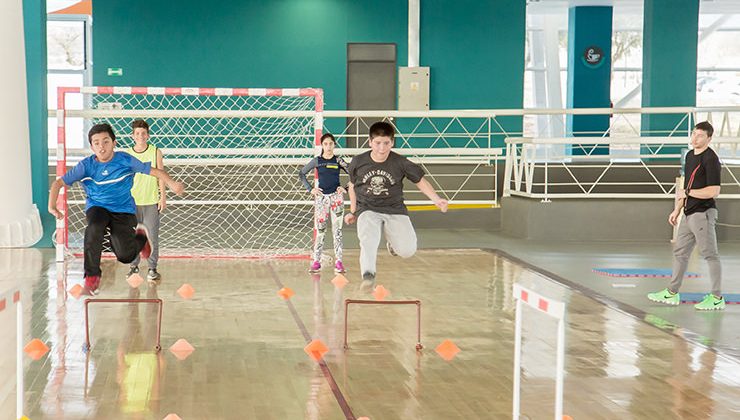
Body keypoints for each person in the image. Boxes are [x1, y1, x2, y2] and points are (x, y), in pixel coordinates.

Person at [48, 123, 185, 295]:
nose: (101, 146)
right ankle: (91, 279)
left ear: (114, 143)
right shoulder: (86, 166)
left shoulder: (125, 160)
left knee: (125, 256)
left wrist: (172, 184)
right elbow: (58, 183)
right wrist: (52, 206)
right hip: (97, 207)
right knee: (94, 227)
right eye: (96, 143)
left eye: (106, 142)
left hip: (124, 210)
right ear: (91, 146)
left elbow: (155, 171)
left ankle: (141, 238)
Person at [344, 121, 448, 290]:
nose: (382, 148)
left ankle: (393, 244)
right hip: (367, 208)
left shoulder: (401, 162)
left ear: (392, 142)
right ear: (370, 142)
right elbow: (352, 186)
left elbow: (420, 181)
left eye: (386, 143)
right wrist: (353, 211)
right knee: (368, 238)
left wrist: (436, 199)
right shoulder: (358, 162)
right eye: (377, 143)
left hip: (394, 209)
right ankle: (368, 274)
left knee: (407, 251)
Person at [648, 121, 724, 310]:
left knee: (710, 255)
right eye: (693, 134)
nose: (695, 138)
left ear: (709, 138)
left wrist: (689, 194)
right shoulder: (690, 156)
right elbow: (685, 188)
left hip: (703, 213)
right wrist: (677, 209)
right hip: (688, 213)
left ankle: (716, 297)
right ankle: (672, 292)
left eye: (699, 135)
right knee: (680, 253)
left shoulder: (711, 159)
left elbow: (714, 191)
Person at [298, 133, 349, 273]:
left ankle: (339, 262)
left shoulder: (338, 160)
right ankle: (316, 261)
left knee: (337, 231)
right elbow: (301, 173)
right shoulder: (317, 161)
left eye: (330, 144)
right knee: (320, 231)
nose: (328, 146)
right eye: (325, 144)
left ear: (334, 145)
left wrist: (345, 188)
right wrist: (310, 189)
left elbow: (354, 174)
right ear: (322, 145)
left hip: (336, 199)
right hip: (321, 199)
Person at [123, 119, 166, 281]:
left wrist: (163, 197)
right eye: (137, 133)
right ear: (132, 136)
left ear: (148, 135)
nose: (140, 136)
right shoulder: (127, 154)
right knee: (133, 236)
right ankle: (133, 267)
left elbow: (161, 175)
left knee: (152, 236)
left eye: (143, 133)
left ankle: (152, 269)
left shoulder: (156, 152)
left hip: (151, 201)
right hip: (131, 202)